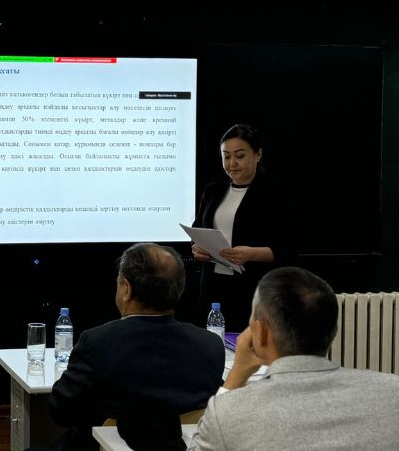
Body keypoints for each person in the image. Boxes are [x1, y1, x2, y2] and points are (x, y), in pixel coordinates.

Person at [189, 267, 399, 450]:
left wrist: (235, 376)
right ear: (333, 329)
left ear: (261, 333)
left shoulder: (227, 413)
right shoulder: (393, 390)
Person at [45, 243, 226, 451]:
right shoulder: (210, 345)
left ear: (126, 289)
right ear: (180, 289)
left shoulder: (97, 342)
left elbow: (60, 411)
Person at [192, 123, 294, 331]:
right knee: (212, 341)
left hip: (253, 287)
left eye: (239, 156)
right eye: (226, 156)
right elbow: (198, 230)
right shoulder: (213, 191)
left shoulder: (275, 194)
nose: (232, 163)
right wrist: (197, 248)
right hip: (213, 286)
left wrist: (250, 254)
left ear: (258, 155)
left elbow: (288, 248)